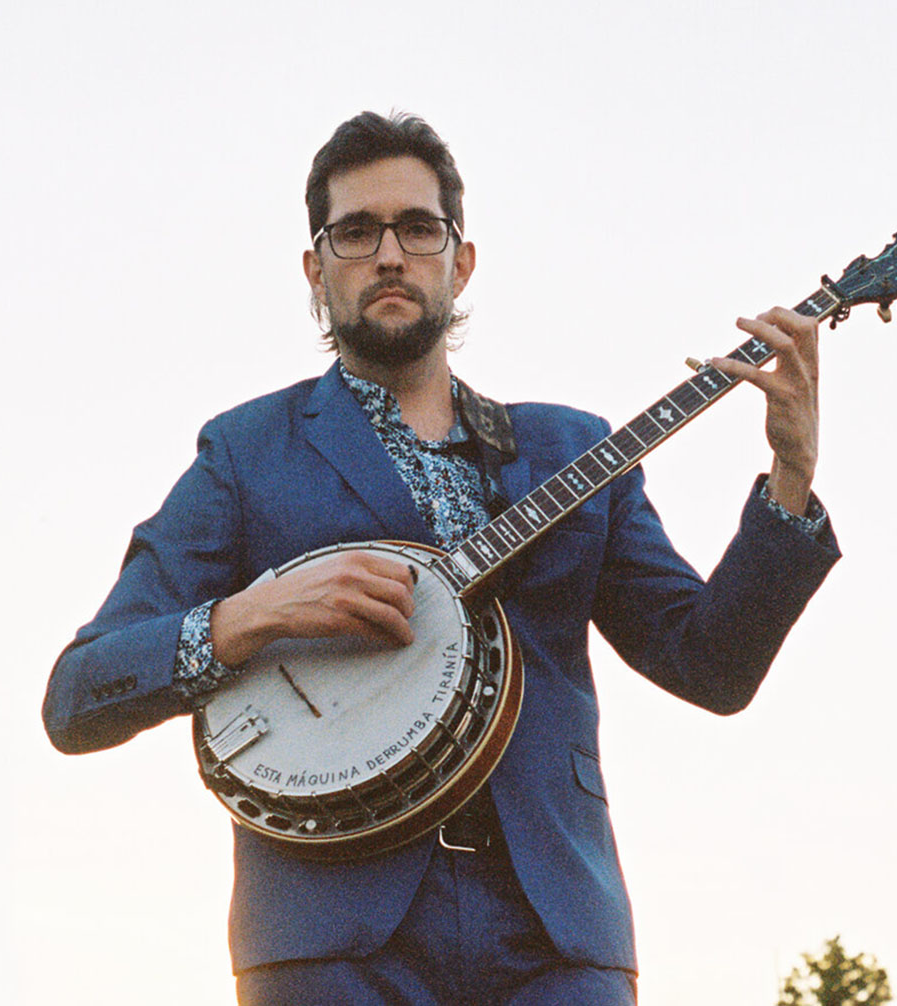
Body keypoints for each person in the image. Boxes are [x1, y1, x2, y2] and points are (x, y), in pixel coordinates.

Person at [43, 111, 840, 1005]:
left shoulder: (569, 451)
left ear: (460, 262)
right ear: (317, 270)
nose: (390, 253)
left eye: (419, 229)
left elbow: (713, 666)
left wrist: (792, 477)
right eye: (357, 231)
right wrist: (253, 616)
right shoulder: (246, 453)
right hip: (329, 940)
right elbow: (78, 698)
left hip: (557, 932)